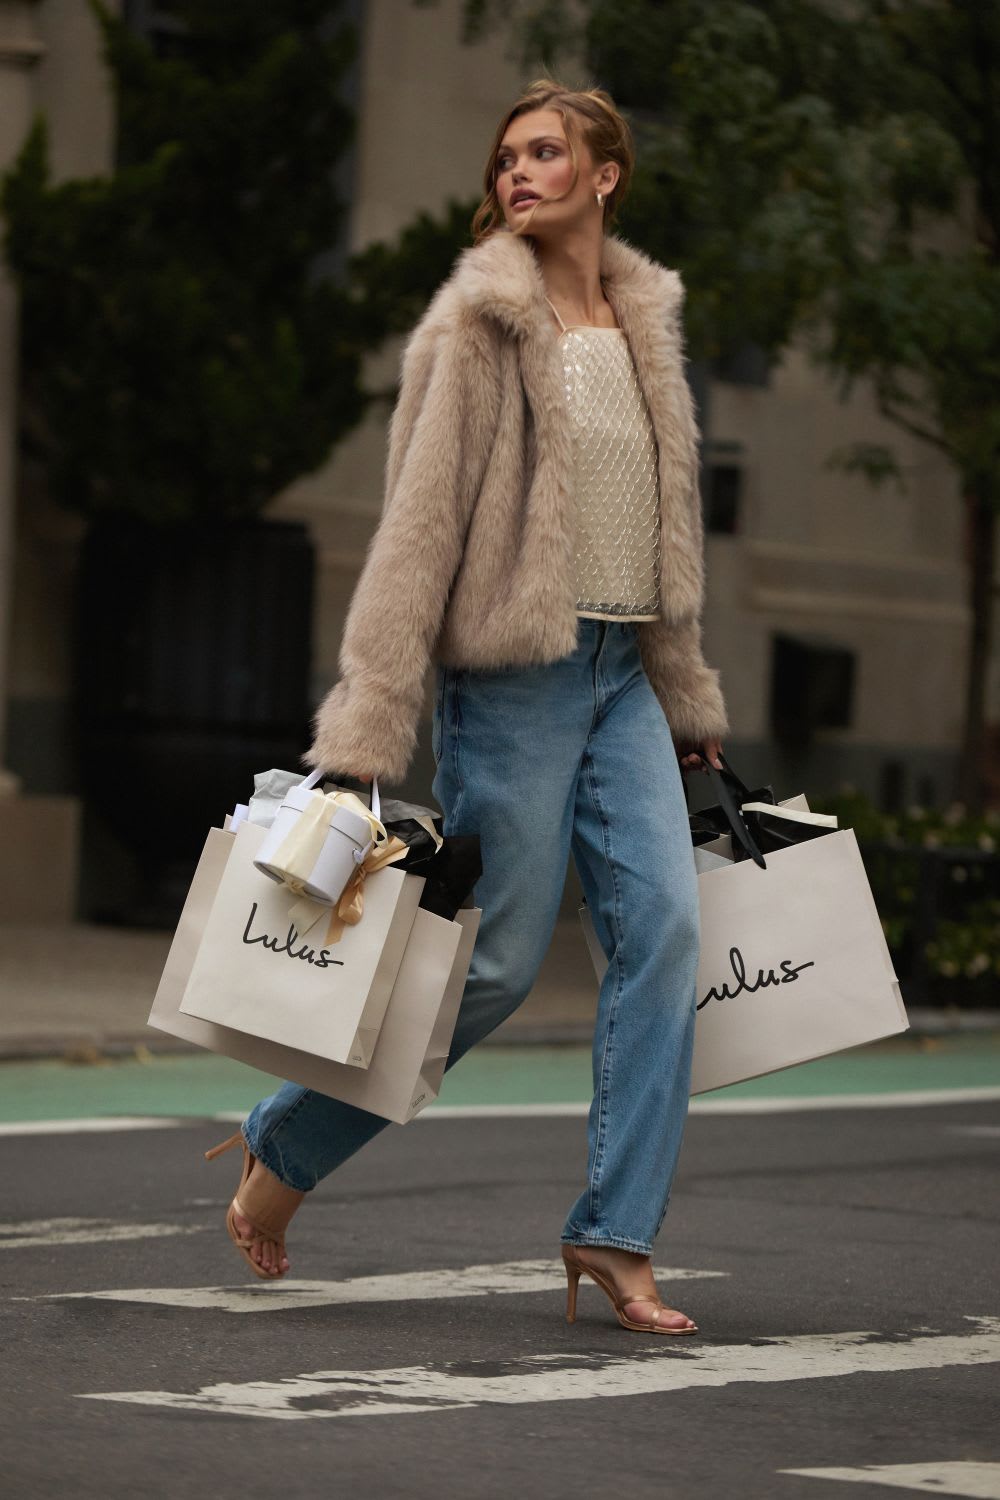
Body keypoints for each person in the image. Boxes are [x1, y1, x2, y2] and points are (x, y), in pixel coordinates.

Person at [205, 79, 728, 1336]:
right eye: (505, 158)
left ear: (607, 176)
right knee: (487, 962)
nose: (518, 173)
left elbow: (667, 527)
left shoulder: (648, 323)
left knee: (662, 939)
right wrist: (369, 722)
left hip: (624, 680)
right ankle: (286, 1145)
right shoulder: (475, 326)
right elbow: (418, 529)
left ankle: (612, 1233)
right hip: (515, 680)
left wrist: (683, 688)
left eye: (546, 152)